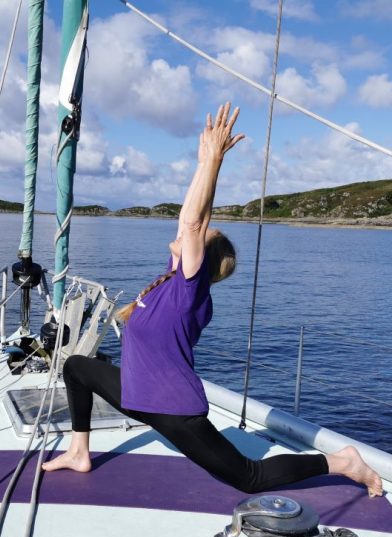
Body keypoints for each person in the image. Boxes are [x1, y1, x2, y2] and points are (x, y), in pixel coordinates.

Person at [42, 102, 383, 498]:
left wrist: (212, 161)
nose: (187, 234)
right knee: (79, 369)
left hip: (173, 411)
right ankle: (78, 452)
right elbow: (190, 220)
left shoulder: (190, 292)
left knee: (249, 478)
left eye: (197, 239)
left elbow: (192, 220)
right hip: (137, 394)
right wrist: (200, 161)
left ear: (200, 259)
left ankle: (343, 462)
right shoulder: (169, 278)